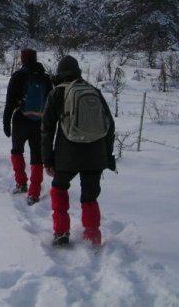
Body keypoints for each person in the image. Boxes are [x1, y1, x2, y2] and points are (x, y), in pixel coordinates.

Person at [42, 55, 116, 247]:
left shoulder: (56, 93)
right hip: (95, 154)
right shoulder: (94, 91)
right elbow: (110, 126)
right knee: (90, 196)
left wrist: (48, 160)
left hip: (67, 155)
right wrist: (107, 156)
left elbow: (47, 130)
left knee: (59, 189)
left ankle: (61, 233)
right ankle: (92, 236)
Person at [2, 49, 53, 205]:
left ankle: (21, 183)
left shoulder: (18, 75)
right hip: (40, 122)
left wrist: (6, 121)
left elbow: (10, 101)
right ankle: (34, 193)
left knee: (17, 151)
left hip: (20, 120)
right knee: (37, 158)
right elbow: (50, 104)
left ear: (23, 59)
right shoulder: (46, 78)